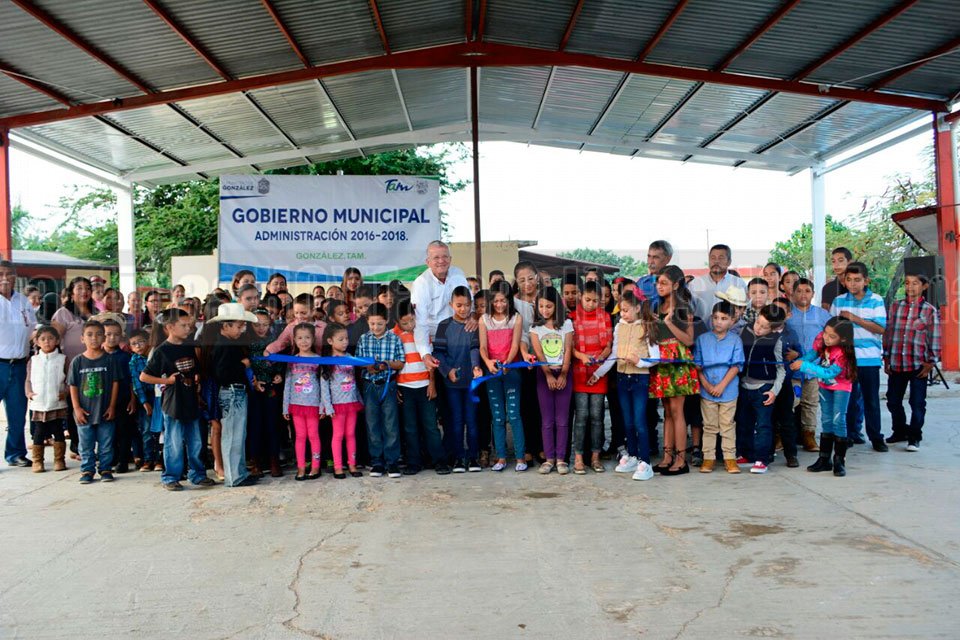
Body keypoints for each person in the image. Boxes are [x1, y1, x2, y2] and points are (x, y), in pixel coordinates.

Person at [141, 309, 216, 491]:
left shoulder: (189, 346)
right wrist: (167, 381)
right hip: (173, 402)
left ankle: (197, 474)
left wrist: (196, 378)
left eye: (189, 325)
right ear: (170, 327)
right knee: (173, 441)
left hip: (191, 399)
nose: (188, 328)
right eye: (183, 325)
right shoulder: (161, 351)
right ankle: (170, 477)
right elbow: (144, 376)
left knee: (196, 440)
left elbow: (194, 368)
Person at [594, 289, 657, 481]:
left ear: (638, 308)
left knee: (640, 422)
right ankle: (632, 456)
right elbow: (614, 354)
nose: (623, 314)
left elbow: (655, 358)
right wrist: (598, 373)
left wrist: (639, 362)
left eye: (626, 310)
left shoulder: (647, 327)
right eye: (621, 310)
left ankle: (645, 462)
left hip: (640, 380)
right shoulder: (618, 327)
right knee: (627, 422)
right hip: (622, 378)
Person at [830, 262, 887, 451]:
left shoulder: (876, 300)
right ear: (844, 282)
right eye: (849, 280)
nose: (853, 284)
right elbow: (831, 330)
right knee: (848, 400)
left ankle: (876, 437)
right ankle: (847, 436)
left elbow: (880, 328)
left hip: (869, 359)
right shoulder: (838, 302)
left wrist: (854, 318)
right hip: (845, 360)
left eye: (857, 280)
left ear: (866, 281)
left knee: (871, 400)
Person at [791, 317, 857, 476]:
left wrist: (804, 366)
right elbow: (812, 354)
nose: (826, 338)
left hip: (841, 387)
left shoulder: (843, 354)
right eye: (825, 332)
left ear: (843, 338)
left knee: (838, 419)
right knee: (826, 419)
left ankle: (839, 460)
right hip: (824, 386)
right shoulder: (822, 339)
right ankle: (824, 458)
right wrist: (799, 362)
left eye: (832, 336)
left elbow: (829, 372)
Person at [650, 266, 699, 476]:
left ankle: (681, 459)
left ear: (676, 285)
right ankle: (667, 457)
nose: (659, 287)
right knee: (667, 411)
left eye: (664, 283)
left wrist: (668, 322)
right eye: (658, 283)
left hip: (677, 361)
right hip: (661, 361)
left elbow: (689, 340)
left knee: (678, 411)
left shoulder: (683, 308)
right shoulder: (657, 306)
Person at [883, 273, 940, 451]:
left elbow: (935, 336)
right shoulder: (895, 306)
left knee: (917, 403)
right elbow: (888, 332)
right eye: (907, 283)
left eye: (915, 283)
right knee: (893, 401)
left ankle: (914, 436)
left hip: (918, 364)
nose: (910, 287)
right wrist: (886, 357)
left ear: (924, 286)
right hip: (897, 362)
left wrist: (931, 362)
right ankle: (900, 431)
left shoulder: (929, 310)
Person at [393, 300, 448, 475]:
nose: (410, 325)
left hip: (425, 387)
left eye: (412, 320)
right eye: (405, 323)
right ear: (397, 321)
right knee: (410, 427)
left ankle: (439, 461)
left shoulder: (422, 334)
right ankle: (414, 463)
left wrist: (432, 384)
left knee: (431, 426)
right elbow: (394, 364)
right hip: (405, 387)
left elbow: (431, 361)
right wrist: (395, 387)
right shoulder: (393, 336)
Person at [432, 287, 483, 474]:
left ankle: (473, 456)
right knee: (456, 421)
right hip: (451, 383)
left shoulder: (474, 326)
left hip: (471, 384)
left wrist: (476, 367)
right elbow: (438, 353)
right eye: (459, 305)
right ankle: (459, 458)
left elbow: (475, 348)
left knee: (472, 420)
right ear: (451, 305)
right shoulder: (444, 326)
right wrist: (447, 371)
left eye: (467, 305)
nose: (463, 309)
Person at [209, 303, 259, 488]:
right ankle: (234, 476)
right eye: (239, 326)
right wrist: (242, 365)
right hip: (231, 392)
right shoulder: (223, 346)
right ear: (226, 326)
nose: (242, 329)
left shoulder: (228, 344)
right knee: (232, 435)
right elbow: (222, 373)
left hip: (236, 392)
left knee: (238, 434)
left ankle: (239, 473)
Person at [479, 281, 526, 472]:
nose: (500, 305)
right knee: (497, 416)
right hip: (492, 373)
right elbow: (483, 347)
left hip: (511, 370)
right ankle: (501, 457)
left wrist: (507, 362)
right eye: (496, 301)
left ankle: (520, 457)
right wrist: (488, 362)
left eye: (503, 300)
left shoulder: (516, 318)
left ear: (509, 300)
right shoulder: (484, 319)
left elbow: (515, 345)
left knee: (514, 415)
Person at [694, 301, 744, 474]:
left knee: (727, 425)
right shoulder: (702, 339)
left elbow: (736, 366)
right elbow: (697, 366)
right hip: (707, 391)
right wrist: (707, 385)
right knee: (709, 425)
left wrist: (722, 386)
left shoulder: (735, 340)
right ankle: (708, 458)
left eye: (723, 318)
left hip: (728, 391)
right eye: (715, 318)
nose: (718, 322)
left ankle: (730, 458)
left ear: (732, 320)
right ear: (711, 318)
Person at [68, 320, 121, 484]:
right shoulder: (77, 361)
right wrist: (77, 408)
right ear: (82, 338)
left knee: (106, 444)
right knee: (85, 444)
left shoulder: (110, 360)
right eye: (89, 335)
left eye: (98, 335)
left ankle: (105, 469)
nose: (94, 338)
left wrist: (112, 406)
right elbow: (73, 385)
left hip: (105, 411)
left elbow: (115, 383)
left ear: (104, 338)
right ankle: (87, 470)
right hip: (84, 412)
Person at [355, 302, 405, 478]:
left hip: (388, 385)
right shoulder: (363, 339)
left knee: (390, 424)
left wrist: (386, 365)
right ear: (367, 322)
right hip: (369, 386)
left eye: (380, 324)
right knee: (372, 424)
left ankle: (392, 462)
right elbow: (359, 361)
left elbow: (401, 362)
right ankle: (377, 461)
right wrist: (367, 366)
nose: (375, 327)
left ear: (387, 321)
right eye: (372, 324)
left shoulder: (394, 339)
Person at [528, 287, 573, 475]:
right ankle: (549, 458)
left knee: (562, 420)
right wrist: (547, 374)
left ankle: (561, 459)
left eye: (549, 306)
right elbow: (539, 353)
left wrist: (563, 374)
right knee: (547, 420)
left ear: (556, 306)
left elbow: (568, 349)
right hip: (543, 375)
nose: (545, 310)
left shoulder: (567, 324)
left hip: (564, 374)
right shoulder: (535, 328)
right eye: (541, 306)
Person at [737, 305, 787, 474]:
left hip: (764, 388)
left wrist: (774, 391)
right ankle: (747, 454)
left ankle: (762, 459)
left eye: (764, 327)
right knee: (744, 422)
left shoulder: (777, 341)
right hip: (744, 385)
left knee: (763, 425)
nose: (758, 328)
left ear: (774, 329)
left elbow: (781, 369)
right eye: (758, 322)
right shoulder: (745, 330)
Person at [571, 280, 612, 475]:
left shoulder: (605, 317)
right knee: (581, 417)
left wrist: (600, 359)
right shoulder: (571, 317)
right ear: (580, 297)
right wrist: (581, 356)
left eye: (595, 301)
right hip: (579, 373)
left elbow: (608, 346)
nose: (590, 304)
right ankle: (578, 457)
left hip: (599, 373)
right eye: (587, 300)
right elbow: (569, 347)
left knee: (597, 417)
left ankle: (595, 457)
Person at [51, 276, 94, 461]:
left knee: (91, 405)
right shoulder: (63, 313)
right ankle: (77, 446)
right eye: (79, 288)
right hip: (71, 367)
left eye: (87, 288)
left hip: (94, 367)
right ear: (71, 293)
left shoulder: (96, 313)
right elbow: (54, 339)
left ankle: (89, 445)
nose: (84, 292)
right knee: (74, 406)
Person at [786, 277, 831, 452]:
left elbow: (831, 337)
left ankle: (809, 436)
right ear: (792, 293)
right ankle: (783, 436)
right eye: (799, 291)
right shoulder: (788, 314)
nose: (803, 294)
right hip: (792, 370)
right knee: (791, 402)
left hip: (812, 370)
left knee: (810, 403)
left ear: (813, 294)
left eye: (807, 291)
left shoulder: (822, 315)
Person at [0, 261, 36, 467]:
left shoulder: (22, 301)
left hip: (20, 364)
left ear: (15, 276)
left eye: (9, 274)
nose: (5, 278)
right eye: (0, 273)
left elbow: (31, 328)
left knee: (17, 413)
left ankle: (15, 453)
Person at [319, 322, 365, 479]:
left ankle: (352, 464)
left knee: (351, 434)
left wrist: (359, 400)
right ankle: (338, 467)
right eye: (341, 339)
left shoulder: (350, 358)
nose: (345, 342)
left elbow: (354, 382)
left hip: (351, 403)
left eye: (346, 338)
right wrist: (327, 406)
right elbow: (324, 386)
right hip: (337, 405)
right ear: (330, 341)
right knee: (338, 435)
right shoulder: (327, 361)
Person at [282, 323, 323, 481]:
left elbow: (323, 384)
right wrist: (285, 407)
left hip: (313, 404)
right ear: (294, 339)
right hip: (296, 405)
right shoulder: (292, 360)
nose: (304, 341)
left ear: (313, 339)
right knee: (300, 436)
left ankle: (315, 466)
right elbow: (288, 384)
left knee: (313, 435)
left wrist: (323, 406)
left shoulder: (319, 360)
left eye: (307, 337)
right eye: (300, 338)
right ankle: (300, 467)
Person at [25, 325, 68, 472]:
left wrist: (66, 392)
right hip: (39, 403)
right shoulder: (33, 360)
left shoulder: (63, 359)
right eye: (43, 339)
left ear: (57, 341)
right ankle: (37, 461)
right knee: (39, 432)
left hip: (57, 403)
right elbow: (28, 380)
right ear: (37, 342)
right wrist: (29, 393)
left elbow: (69, 380)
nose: (47, 342)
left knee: (58, 431)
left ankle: (59, 460)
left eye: (50, 338)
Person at [513, 261, 543, 463]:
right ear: (516, 281)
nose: (527, 283)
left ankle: (542, 447)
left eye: (531, 278)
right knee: (526, 405)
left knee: (542, 406)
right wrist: (524, 353)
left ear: (537, 278)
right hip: (522, 360)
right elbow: (520, 333)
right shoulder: (514, 303)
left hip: (545, 360)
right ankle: (528, 448)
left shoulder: (546, 298)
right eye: (522, 280)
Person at [249, 308, 284, 477]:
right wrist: (253, 381)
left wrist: (278, 374)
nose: (261, 328)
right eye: (257, 324)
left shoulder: (274, 341)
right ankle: (255, 461)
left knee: (272, 424)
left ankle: (274, 460)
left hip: (271, 388)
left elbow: (280, 362)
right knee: (255, 425)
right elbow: (245, 365)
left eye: (265, 324)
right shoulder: (246, 343)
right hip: (254, 389)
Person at [101, 319, 137, 473]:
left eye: (116, 334)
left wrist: (133, 399)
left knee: (123, 430)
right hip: (102, 401)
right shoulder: (97, 356)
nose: (112, 338)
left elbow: (132, 380)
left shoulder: (126, 357)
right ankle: (111, 458)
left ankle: (123, 460)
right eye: (108, 334)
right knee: (107, 432)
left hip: (123, 399)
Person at [770, 298, 803, 467]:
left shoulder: (791, 333)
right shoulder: (763, 330)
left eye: (781, 311)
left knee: (787, 419)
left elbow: (800, 352)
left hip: (785, 381)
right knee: (768, 419)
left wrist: (796, 355)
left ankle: (791, 454)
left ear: (788, 315)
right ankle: (767, 453)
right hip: (767, 382)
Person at [689, 245, 746, 329]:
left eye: (721, 258)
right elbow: (688, 311)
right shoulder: (695, 284)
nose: (716, 261)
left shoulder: (739, 283)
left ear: (729, 262)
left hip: (731, 333)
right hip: (701, 333)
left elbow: (745, 311)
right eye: (713, 258)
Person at [128, 329, 160, 472]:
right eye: (134, 344)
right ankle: (148, 459)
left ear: (148, 342)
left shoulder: (155, 355)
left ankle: (159, 460)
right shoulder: (134, 361)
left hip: (158, 395)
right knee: (147, 430)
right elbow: (137, 383)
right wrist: (144, 402)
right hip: (144, 397)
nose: (138, 346)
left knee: (160, 429)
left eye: (141, 342)